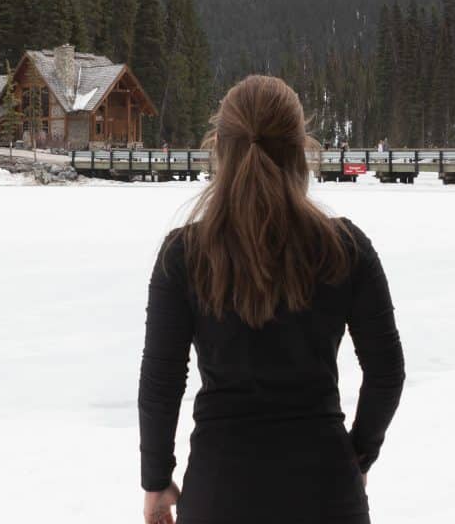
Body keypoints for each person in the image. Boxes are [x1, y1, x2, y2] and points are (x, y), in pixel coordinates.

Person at [138, 74, 405, 524]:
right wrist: (357, 458)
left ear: (219, 148)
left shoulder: (184, 254)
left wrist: (156, 480)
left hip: (219, 493)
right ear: (301, 149)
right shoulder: (345, 247)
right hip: (326, 491)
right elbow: (386, 373)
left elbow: (162, 382)